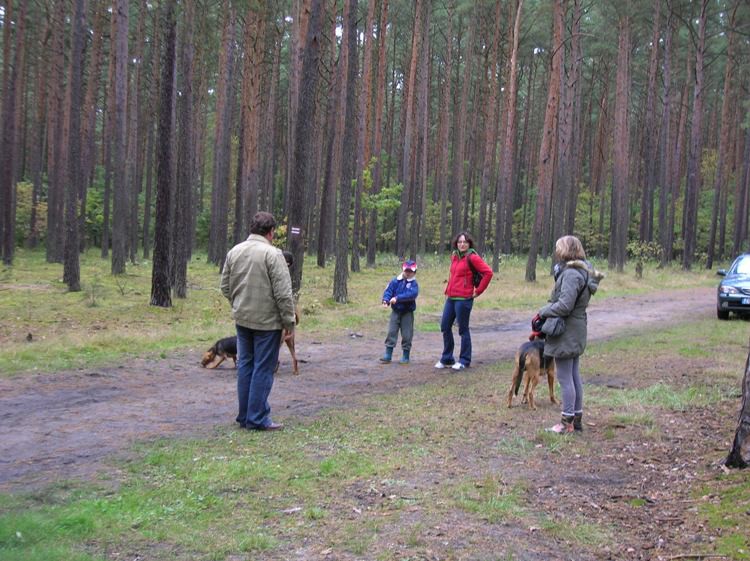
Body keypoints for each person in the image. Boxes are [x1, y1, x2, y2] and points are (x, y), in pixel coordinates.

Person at [220, 211, 296, 431]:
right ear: (271, 232)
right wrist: (288, 322)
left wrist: (239, 304)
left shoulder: (235, 251)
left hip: (242, 320)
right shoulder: (273, 255)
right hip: (267, 324)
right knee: (263, 368)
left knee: (245, 365)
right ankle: (257, 418)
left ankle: (245, 416)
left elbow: (224, 287)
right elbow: (283, 294)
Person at [535, 235, 604, 434]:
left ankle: (566, 423)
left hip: (566, 330)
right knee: (573, 376)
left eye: (558, 248)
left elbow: (565, 305)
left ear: (565, 250)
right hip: (576, 328)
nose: (556, 252)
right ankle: (576, 419)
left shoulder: (572, 274)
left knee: (566, 378)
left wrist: (543, 311)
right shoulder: (582, 271)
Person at [435, 232, 493, 371]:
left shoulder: (472, 257)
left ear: (469, 244)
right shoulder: (454, 256)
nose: (462, 244)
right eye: (460, 242)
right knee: (445, 326)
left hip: (464, 299)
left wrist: (478, 291)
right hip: (451, 297)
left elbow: (488, 272)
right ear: (456, 243)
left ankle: (464, 360)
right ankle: (447, 357)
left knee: (463, 329)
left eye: (465, 242)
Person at [379, 259, 420, 364]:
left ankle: (406, 355)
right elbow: (388, 291)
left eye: (410, 271)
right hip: (396, 311)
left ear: (414, 272)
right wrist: (386, 300)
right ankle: (388, 354)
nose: (408, 273)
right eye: (406, 270)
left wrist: (397, 298)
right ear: (403, 270)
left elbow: (411, 295)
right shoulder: (395, 281)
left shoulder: (414, 284)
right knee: (391, 331)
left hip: (407, 312)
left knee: (407, 334)